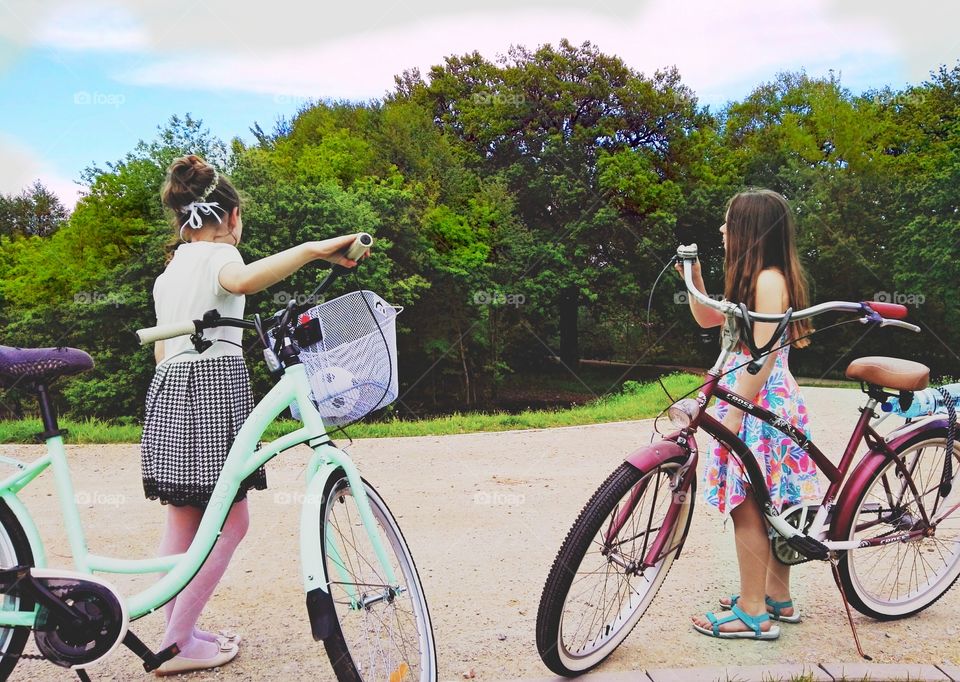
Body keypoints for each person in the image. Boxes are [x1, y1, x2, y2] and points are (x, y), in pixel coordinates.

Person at [141, 154, 369, 674]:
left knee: (183, 519)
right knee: (232, 521)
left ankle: (177, 632)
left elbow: (161, 351)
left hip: (169, 387)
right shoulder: (216, 256)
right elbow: (242, 280)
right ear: (232, 215)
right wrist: (313, 250)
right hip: (212, 388)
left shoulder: (170, 271)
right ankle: (177, 643)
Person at [675, 188, 819, 640]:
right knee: (772, 505)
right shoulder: (758, 279)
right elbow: (707, 319)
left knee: (749, 508)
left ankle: (753, 612)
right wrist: (695, 277)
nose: (722, 229)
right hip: (756, 398)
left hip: (758, 402)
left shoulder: (769, 282)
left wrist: (737, 413)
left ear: (750, 229)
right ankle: (776, 596)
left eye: (728, 221)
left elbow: (765, 354)